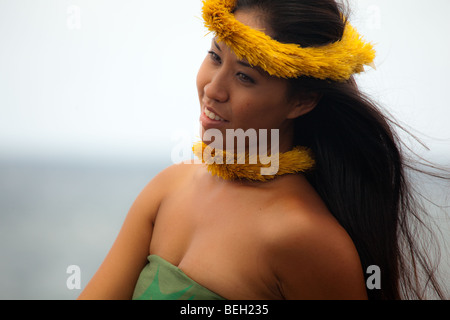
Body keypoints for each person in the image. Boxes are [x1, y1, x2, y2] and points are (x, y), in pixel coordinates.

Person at [78, 0, 447, 300]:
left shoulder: (306, 238)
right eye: (215, 57)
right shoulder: (169, 188)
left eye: (245, 76)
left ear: (301, 101)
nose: (213, 89)